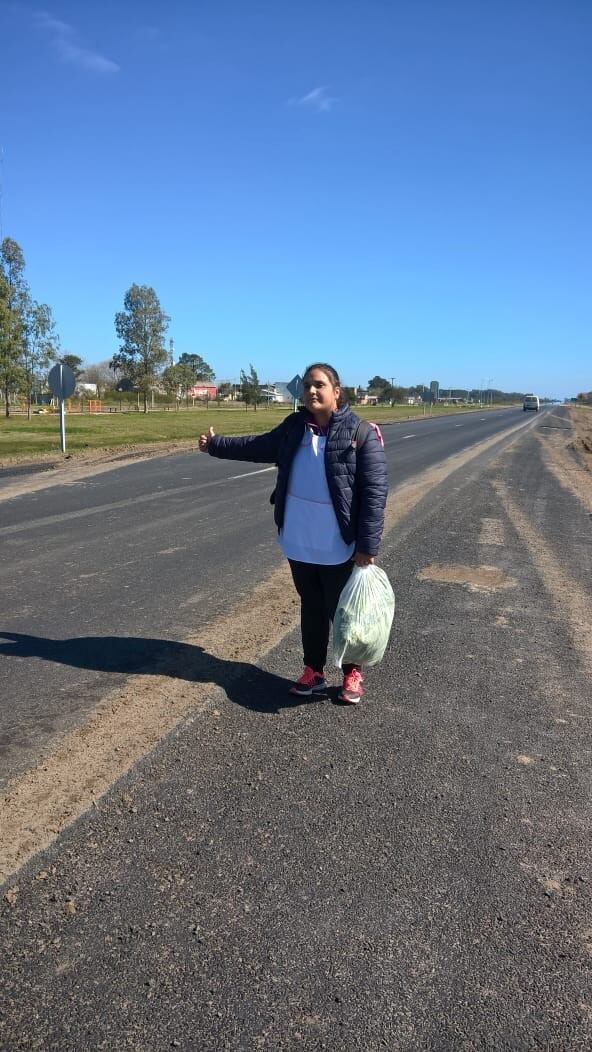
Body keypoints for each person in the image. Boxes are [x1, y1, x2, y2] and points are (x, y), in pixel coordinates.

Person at [198, 363, 388, 704]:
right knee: (311, 606)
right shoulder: (294, 427)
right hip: (299, 538)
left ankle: (352, 673)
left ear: (336, 391)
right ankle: (313, 671)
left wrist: (367, 545)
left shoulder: (361, 433)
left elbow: (375, 492)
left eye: (319, 385)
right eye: (306, 386)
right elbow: (258, 446)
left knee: (344, 611)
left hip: (338, 543)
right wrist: (215, 445)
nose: (311, 391)